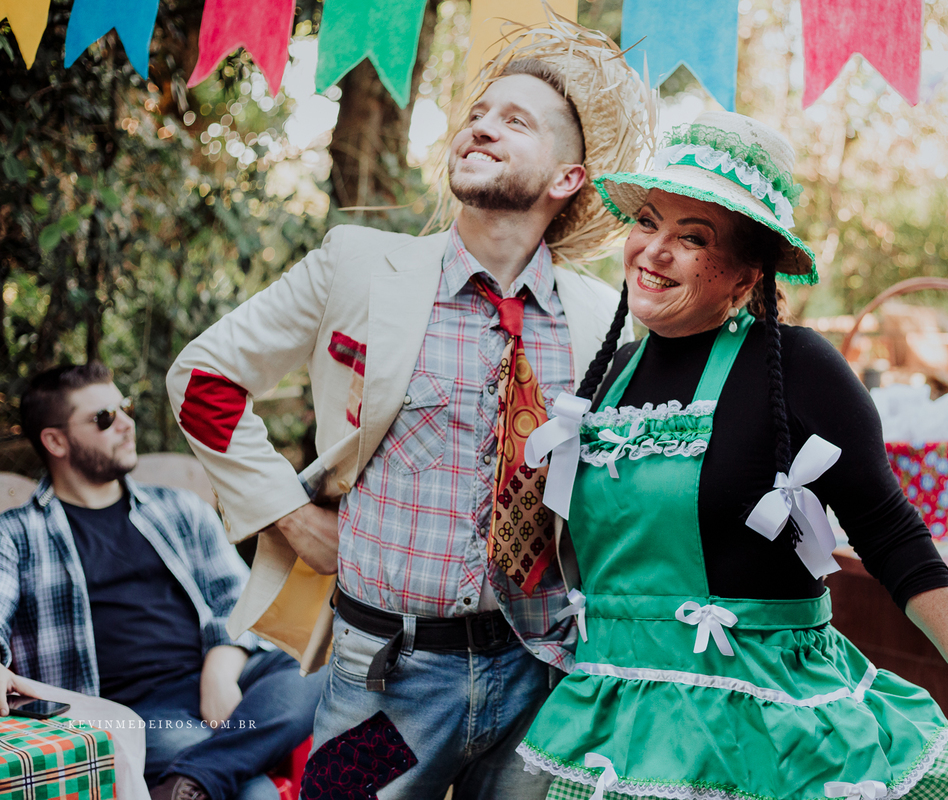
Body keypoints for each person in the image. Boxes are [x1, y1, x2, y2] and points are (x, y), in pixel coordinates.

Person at [165, 16, 651, 800]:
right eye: (477, 115)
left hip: (545, 681)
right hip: (379, 684)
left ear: (568, 179)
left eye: (514, 121)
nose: (480, 126)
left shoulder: (605, 319)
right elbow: (203, 379)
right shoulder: (359, 266)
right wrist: (288, 514)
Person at [516, 111, 948, 800]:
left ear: (744, 274)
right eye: (647, 222)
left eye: (692, 237)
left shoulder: (798, 367)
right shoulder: (608, 376)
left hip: (767, 738)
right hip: (617, 737)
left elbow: (890, 532)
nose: (654, 251)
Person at [0, 363, 322, 800]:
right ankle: (205, 775)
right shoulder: (17, 535)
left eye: (124, 408)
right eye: (104, 418)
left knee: (318, 666)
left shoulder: (179, 509)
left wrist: (219, 671)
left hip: (217, 679)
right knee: (255, 792)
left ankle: (192, 780)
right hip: (128, 711)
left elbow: (239, 598)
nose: (128, 424)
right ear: (55, 440)